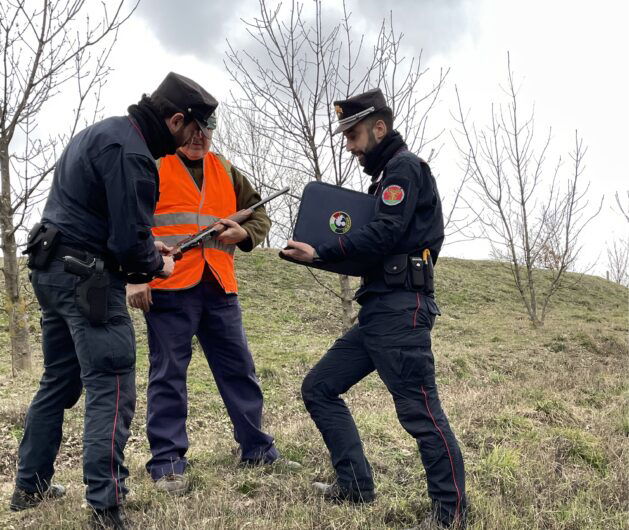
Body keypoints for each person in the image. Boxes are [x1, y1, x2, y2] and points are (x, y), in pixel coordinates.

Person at [10, 72, 217, 529]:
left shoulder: (103, 131)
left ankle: (30, 485)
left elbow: (109, 224)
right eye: (195, 130)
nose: (197, 139)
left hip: (51, 270)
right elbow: (128, 244)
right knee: (113, 381)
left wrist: (145, 249)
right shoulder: (134, 155)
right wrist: (155, 264)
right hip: (89, 282)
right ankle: (107, 504)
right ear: (176, 119)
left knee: (59, 380)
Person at [282, 88, 467, 528]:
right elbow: (373, 248)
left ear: (379, 128)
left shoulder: (403, 169)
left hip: (401, 311)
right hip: (378, 312)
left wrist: (321, 252)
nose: (349, 144)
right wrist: (320, 254)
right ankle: (355, 485)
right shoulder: (385, 177)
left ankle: (451, 512)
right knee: (320, 388)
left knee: (421, 412)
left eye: (354, 134)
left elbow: (383, 235)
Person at [126, 111, 296, 495]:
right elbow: (130, 225)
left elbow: (258, 214)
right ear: (180, 128)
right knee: (168, 376)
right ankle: (168, 463)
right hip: (169, 286)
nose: (199, 137)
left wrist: (244, 232)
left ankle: (257, 448)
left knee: (240, 370)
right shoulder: (154, 166)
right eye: (193, 129)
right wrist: (135, 277)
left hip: (219, 285)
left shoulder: (226, 169)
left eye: (206, 130)